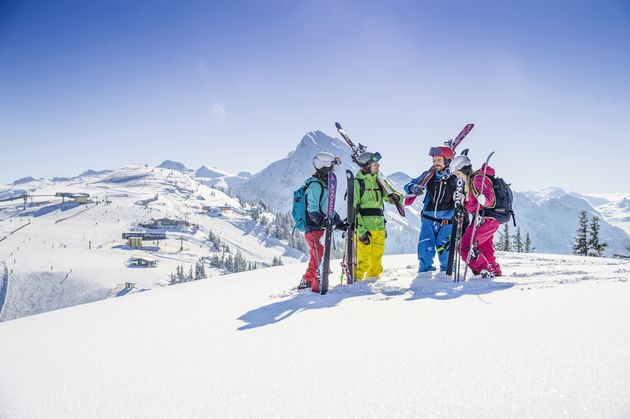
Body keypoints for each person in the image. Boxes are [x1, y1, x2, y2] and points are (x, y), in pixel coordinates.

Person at [404, 146, 458, 274]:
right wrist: (413, 188)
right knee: (425, 247)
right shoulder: (429, 175)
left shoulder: (455, 177)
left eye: (439, 160)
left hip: (446, 220)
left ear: (447, 161)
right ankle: (425, 272)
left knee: (444, 248)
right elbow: (408, 186)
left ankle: (447, 273)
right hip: (428, 219)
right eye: (434, 161)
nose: (435, 163)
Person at [299, 152, 348, 292]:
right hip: (312, 229)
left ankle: (307, 280)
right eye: (332, 166)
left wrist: (339, 224)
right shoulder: (315, 186)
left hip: (318, 229)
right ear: (325, 166)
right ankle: (314, 285)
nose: (334, 169)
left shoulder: (324, 186)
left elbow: (329, 208)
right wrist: (321, 221)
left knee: (318, 255)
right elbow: (312, 208)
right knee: (318, 254)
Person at [353, 151, 402, 280]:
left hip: (379, 227)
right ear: (367, 167)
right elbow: (353, 209)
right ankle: (353, 285)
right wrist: (361, 231)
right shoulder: (357, 183)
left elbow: (395, 195)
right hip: (365, 229)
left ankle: (372, 287)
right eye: (375, 164)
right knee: (362, 260)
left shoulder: (380, 181)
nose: (378, 166)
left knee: (376, 262)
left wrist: (396, 197)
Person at [450, 157, 502, 277]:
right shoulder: (471, 182)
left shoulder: (478, 179)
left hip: (485, 221)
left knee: (464, 247)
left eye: (458, 174)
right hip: (487, 220)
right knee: (485, 249)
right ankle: (495, 271)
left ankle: (484, 271)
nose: (458, 177)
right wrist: (464, 202)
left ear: (463, 170)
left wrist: (485, 200)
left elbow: (489, 199)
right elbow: (473, 208)